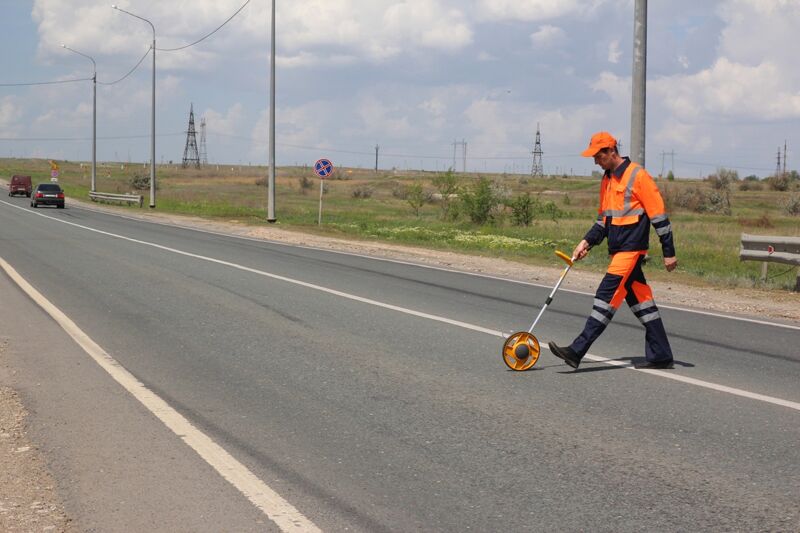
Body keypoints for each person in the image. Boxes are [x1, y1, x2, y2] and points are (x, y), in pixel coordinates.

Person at [548, 132, 677, 370]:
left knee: (605, 298)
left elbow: (658, 215)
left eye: (598, 156)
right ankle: (661, 354)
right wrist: (586, 242)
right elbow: (603, 221)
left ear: (611, 151)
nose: (595, 162)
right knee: (643, 303)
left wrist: (669, 251)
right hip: (617, 251)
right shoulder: (607, 180)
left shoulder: (638, 176)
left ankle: (576, 351)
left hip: (631, 250)